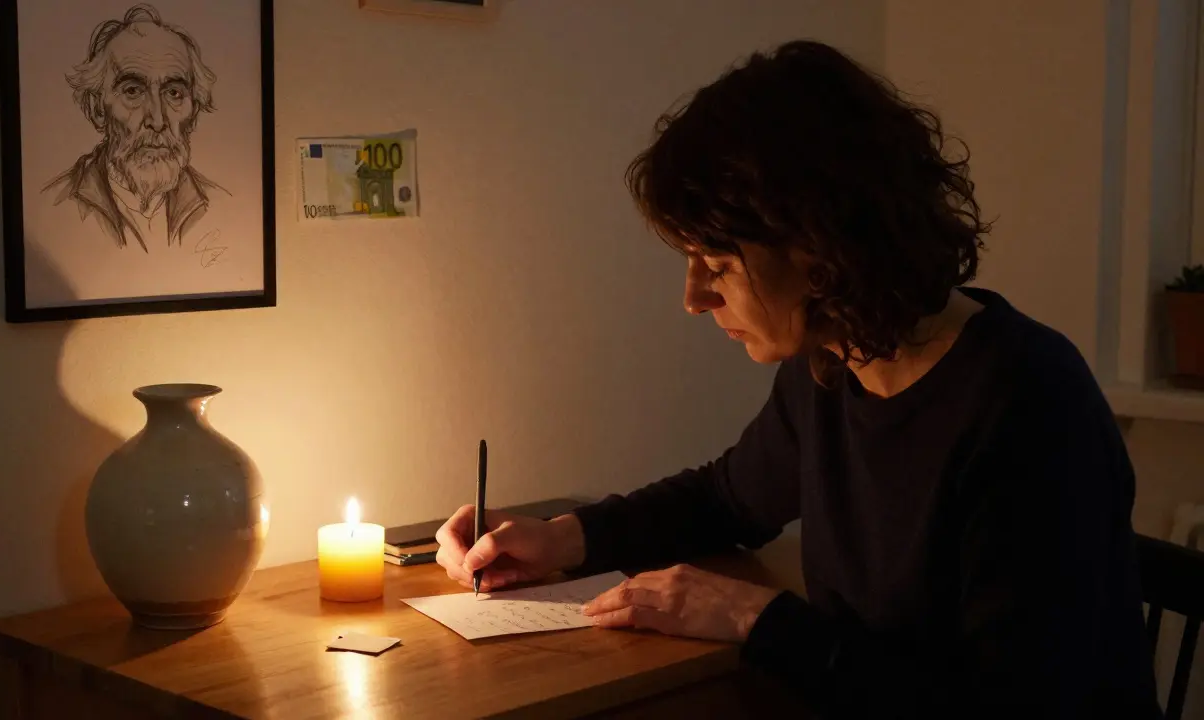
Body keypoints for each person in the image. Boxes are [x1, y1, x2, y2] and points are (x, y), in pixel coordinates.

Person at [435, 40, 1161, 718]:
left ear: (819, 245)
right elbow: (727, 497)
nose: (693, 299)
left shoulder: (1025, 405)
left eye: (717, 266)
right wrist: (562, 540)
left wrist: (758, 618)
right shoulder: (833, 363)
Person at [43, 3, 226, 253]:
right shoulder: (54, 205)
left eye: (174, 93)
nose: (158, 120)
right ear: (97, 108)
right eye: (132, 91)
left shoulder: (221, 206)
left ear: (193, 111)